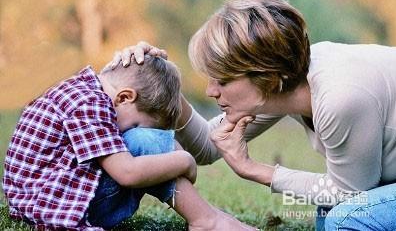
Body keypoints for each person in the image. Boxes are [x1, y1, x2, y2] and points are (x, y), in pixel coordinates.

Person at [113, 0, 396, 230]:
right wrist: (156, 82)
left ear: (267, 77)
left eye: (223, 80)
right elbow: (208, 146)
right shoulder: (286, 83)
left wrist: (255, 170)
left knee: (345, 220)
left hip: (358, 190)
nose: (212, 91)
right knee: (330, 219)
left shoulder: (341, 97)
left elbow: (349, 194)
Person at [2, 55, 256, 230]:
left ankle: (206, 216)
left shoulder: (82, 89)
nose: (126, 130)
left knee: (143, 142)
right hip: (59, 207)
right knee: (144, 141)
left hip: (43, 201)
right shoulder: (90, 104)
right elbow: (126, 173)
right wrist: (185, 160)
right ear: (125, 97)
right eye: (135, 122)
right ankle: (206, 220)